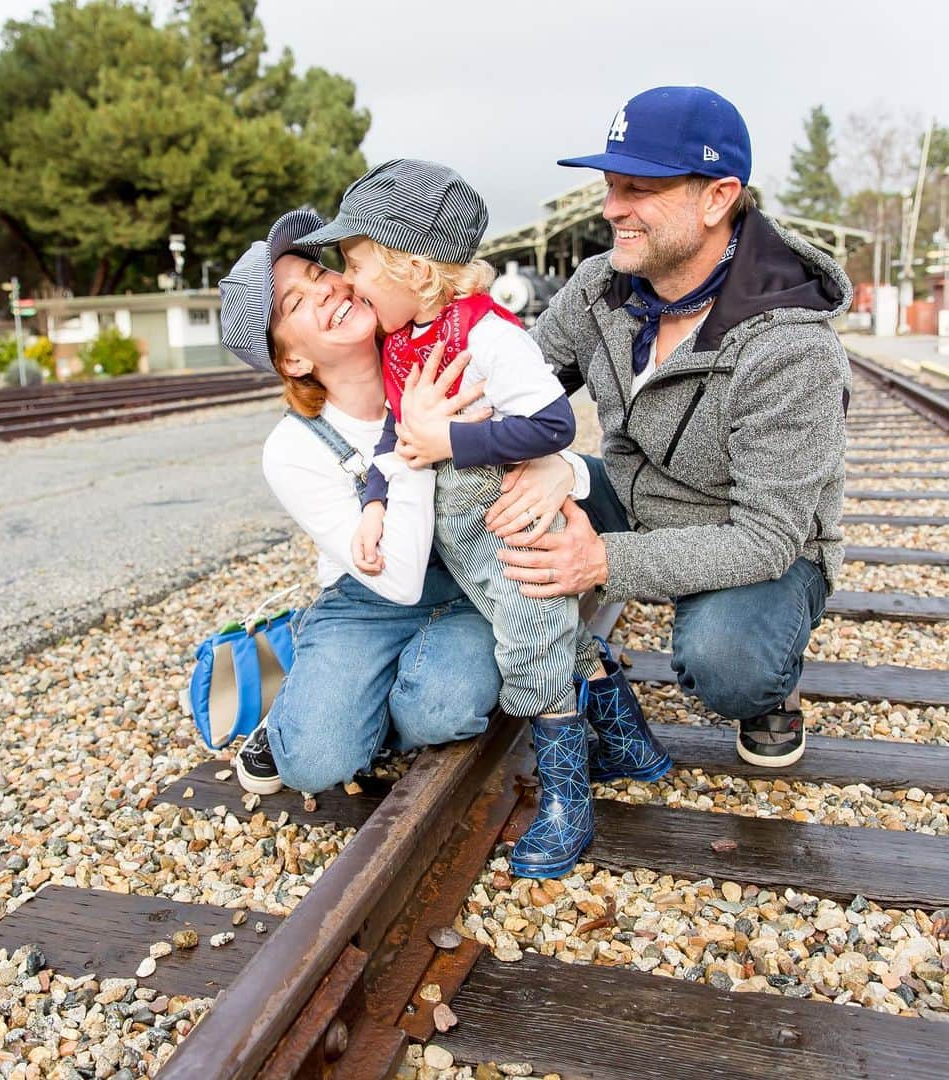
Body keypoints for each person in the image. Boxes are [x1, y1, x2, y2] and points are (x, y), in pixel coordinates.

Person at [473, 86, 852, 768]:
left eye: (640, 188)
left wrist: (602, 563)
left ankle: (772, 687)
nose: (612, 208)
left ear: (717, 197)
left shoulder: (792, 347)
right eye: (611, 185)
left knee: (726, 662)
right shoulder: (599, 288)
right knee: (483, 474)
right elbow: (513, 388)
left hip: (752, 539)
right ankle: (468, 638)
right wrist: (545, 458)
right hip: (630, 496)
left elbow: (765, 537)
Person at [298, 160, 645, 878]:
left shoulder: (488, 334)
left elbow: (551, 421)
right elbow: (397, 436)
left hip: (513, 528)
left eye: (356, 263)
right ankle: (632, 745)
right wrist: (372, 500)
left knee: (535, 654)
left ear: (413, 269)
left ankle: (565, 805)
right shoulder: (404, 341)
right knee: (555, 639)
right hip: (467, 548)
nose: (349, 282)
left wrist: (455, 442)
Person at [215, 208, 507, 798]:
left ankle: (361, 694)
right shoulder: (294, 448)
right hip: (369, 597)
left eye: (319, 273)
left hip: (470, 582)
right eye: (296, 304)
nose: (325, 290)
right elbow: (396, 581)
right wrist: (416, 444)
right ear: (293, 360)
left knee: (442, 714)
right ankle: (310, 691)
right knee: (314, 765)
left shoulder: (449, 344)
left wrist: (558, 469)